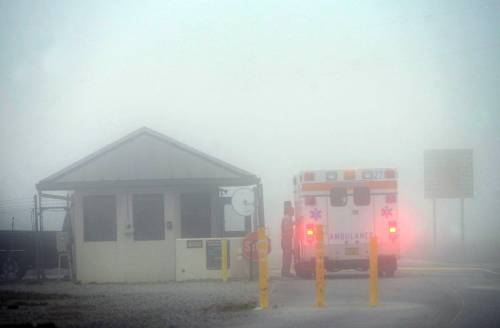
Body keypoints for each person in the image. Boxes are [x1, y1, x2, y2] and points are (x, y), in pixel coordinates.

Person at [281, 201, 294, 277]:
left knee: (287, 256)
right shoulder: (287, 218)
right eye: (292, 211)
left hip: (286, 239)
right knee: (287, 256)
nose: (293, 212)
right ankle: (286, 273)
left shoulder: (287, 218)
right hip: (286, 240)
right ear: (289, 211)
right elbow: (286, 228)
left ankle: (285, 272)